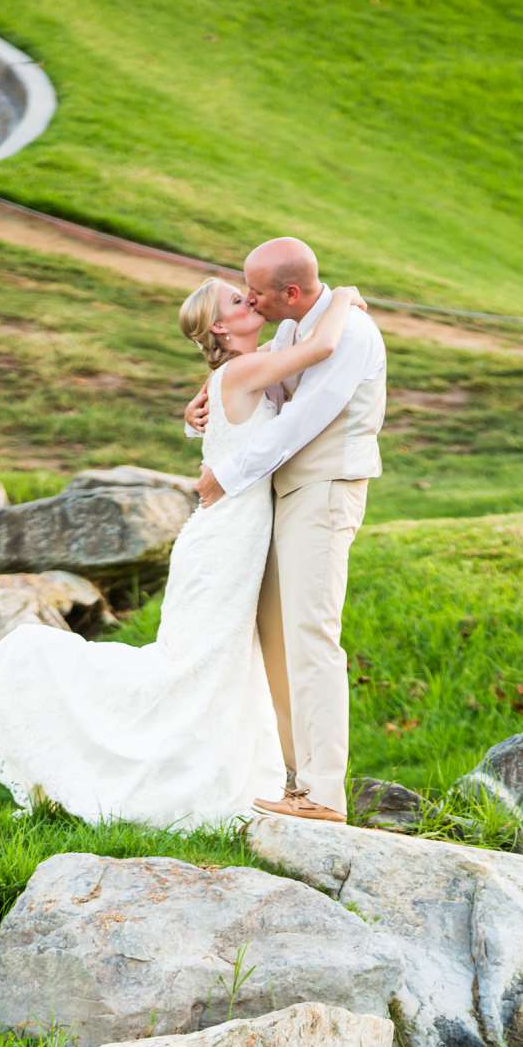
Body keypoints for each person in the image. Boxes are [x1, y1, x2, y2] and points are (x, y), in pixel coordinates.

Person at [0, 276, 366, 830]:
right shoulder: (239, 372)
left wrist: (194, 405)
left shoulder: (235, 369)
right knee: (190, 663)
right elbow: (318, 347)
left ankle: (221, 779)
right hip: (223, 541)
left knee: (217, 664)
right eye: (239, 300)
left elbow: (285, 348)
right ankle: (84, 716)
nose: (250, 300)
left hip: (231, 535)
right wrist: (343, 297)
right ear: (220, 325)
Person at [190, 235, 388, 825]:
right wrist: (200, 400)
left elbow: (301, 422)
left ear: (291, 292)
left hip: (325, 491)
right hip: (282, 497)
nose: (249, 298)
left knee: (312, 635)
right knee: (276, 637)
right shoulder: (293, 331)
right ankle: (294, 779)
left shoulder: (350, 333)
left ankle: (325, 793)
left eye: (255, 290)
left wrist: (224, 475)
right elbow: (261, 399)